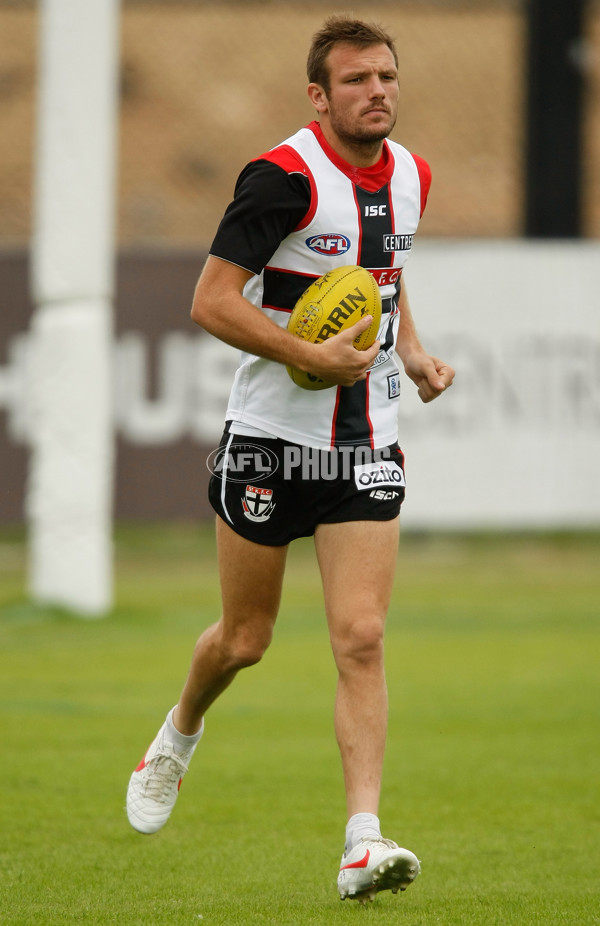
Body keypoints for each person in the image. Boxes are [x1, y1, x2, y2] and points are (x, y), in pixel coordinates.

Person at [126, 16, 455, 904]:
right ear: (320, 94)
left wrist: (411, 352)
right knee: (246, 640)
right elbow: (211, 301)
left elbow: (384, 277)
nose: (377, 91)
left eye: (387, 75)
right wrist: (304, 354)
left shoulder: (415, 174)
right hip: (272, 440)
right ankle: (179, 735)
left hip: (366, 441)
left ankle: (362, 842)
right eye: (356, 81)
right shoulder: (282, 177)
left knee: (362, 636)